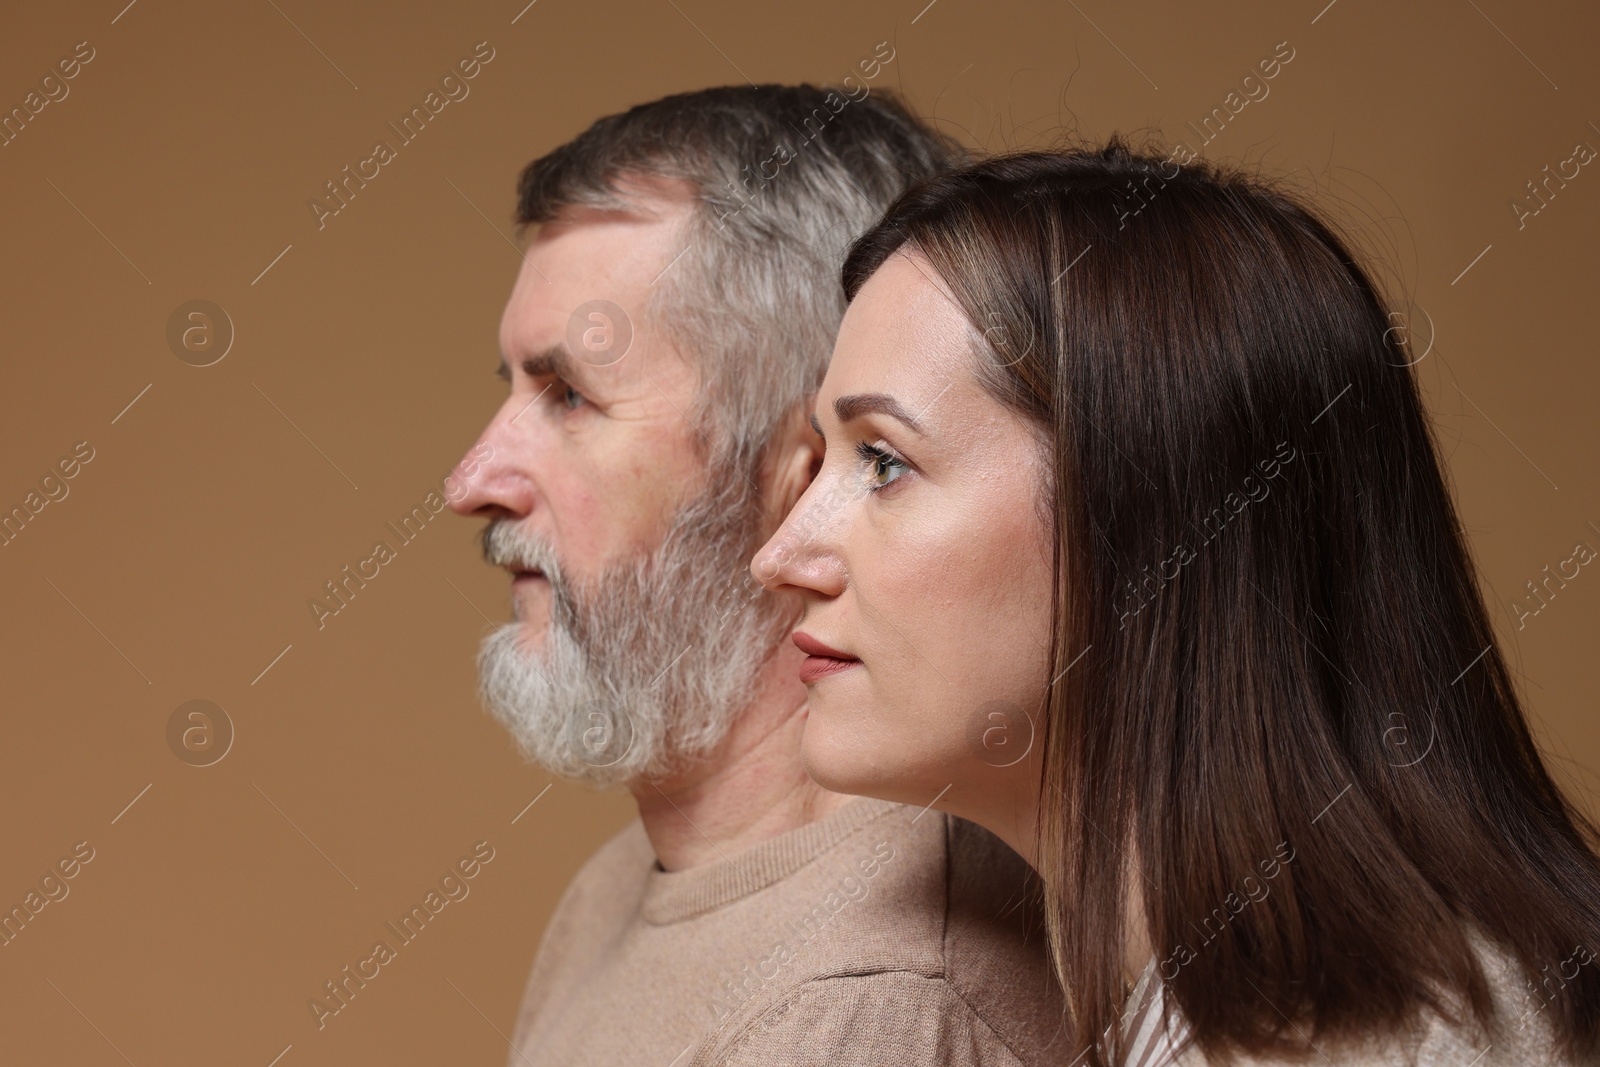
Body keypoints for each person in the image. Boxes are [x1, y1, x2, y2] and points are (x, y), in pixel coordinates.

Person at [753, 140, 1600, 1067]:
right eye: (822, 456)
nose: (781, 554)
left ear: (1143, 516)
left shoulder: (1357, 1040)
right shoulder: (1238, 1005)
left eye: (884, 462)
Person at [447, 85, 1068, 1066]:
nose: (470, 481)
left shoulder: (873, 1012)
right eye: (515, 390)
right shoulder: (621, 888)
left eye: (569, 395)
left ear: (804, 467)